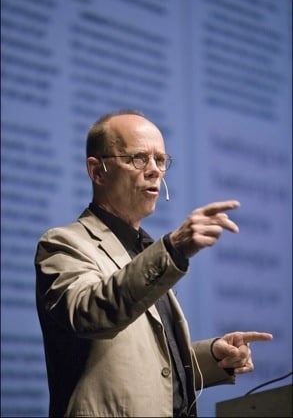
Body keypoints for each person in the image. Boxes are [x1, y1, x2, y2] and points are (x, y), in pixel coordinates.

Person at [35, 109, 273, 418]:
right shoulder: (63, 244)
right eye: (138, 158)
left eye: (160, 160)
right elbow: (91, 314)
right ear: (97, 171)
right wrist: (173, 249)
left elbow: (149, 366)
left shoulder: (145, 250)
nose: (154, 171)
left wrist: (214, 356)